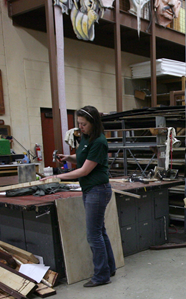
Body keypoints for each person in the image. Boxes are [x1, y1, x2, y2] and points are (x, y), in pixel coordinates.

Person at [42, 106, 115, 287]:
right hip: (90, 190)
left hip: (98, 190)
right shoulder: (86, 137)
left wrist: (57, 177)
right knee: (100, 232)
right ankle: (109, 268)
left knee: (93, 235)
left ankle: (101, 276)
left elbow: (84, 170)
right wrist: (68, 157)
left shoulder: (99, 141)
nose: (80, 127)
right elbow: (83, 158)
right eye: (79, 124)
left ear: (93, 124)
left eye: (84, 124)